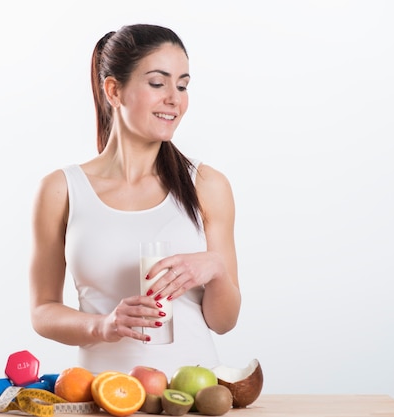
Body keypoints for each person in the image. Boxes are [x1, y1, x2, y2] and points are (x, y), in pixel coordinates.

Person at [28, 24, 240, 377]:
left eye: (183, 85)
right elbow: (43, 311)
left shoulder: (206, 184)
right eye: (158, 83)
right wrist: (104, 326)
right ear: (114, 90)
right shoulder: (61, 190)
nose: (174, 98)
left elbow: (224, 321)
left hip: (192, 398)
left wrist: (215, 269)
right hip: (104, 396)